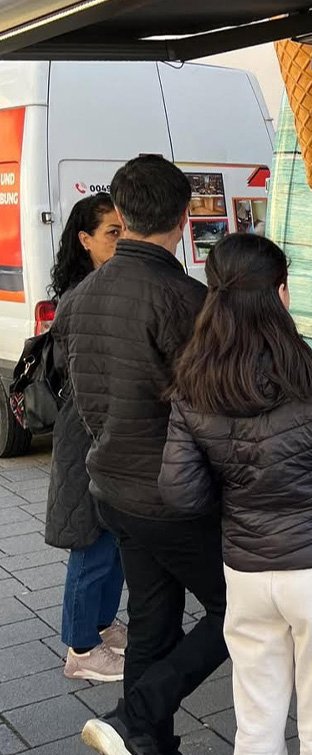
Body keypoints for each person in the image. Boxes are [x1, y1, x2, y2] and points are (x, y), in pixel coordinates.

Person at [158, 233, 312, 755]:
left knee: (256, 723)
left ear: (213, 295)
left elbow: (179, 494)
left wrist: (234, 481)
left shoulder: (191, 388)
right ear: (281, 294)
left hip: (246, 570)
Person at [51, 155, 227, 755]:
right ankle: (136, 715)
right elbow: (213, 407)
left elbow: (79, 397)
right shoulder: (189, 299)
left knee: (153, 618)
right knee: (243, 609)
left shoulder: (77, 299)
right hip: (171, 493)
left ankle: (149, 742)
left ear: (122, 217)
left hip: (114, 487)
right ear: (185, 216)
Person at [45, 193, 127, 683]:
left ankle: (100, 624)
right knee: (90, 541)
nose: (121, 241)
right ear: (85, 240)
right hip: (87, 436)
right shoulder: (84, 297)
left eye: (125, 231)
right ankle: (80, 649)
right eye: (112, 234)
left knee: (113, 538)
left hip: (108, 433)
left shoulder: (107, 287)